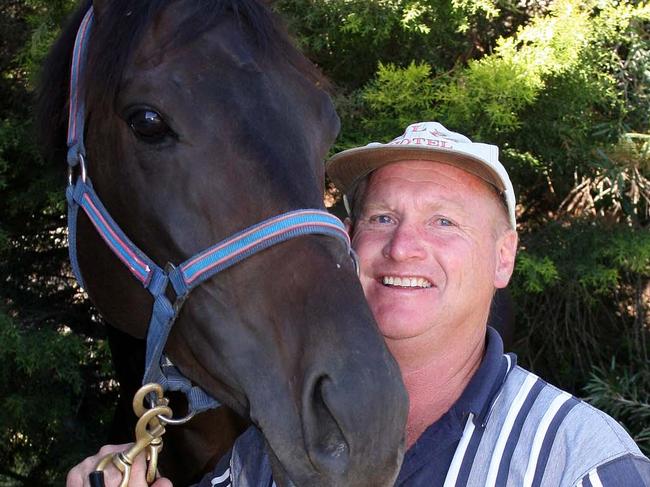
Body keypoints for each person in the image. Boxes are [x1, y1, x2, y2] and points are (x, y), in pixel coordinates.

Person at [68, 122, 650, 486]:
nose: (403, 247)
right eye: (382, 218)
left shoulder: (580, 463)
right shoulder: (270, 452)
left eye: (444, 222)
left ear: (504, 258)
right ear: (349, 241)